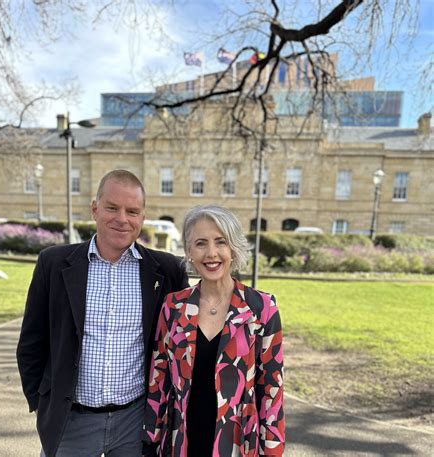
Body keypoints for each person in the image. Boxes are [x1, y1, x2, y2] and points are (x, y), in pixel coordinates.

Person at [16, 169, 188, 457]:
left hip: (135, 423)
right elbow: (31, 343)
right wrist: (43, 401)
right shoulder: (54, 264)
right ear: (95, 209)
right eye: (112, 207)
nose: (122, 218)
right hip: (71, 423)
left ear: (142, 217)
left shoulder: (167, 271)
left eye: (132, 211)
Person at [142, 205, 284, 456]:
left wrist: (272, 450)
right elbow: (159, 379)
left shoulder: (261, 308)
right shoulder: (173, 306)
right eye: (200, 243)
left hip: (238, 442)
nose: (211, 253)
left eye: (221, 242)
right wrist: (150, 439)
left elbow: (271, 390)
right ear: (188, 250)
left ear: (233, 248)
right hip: (180, 439)